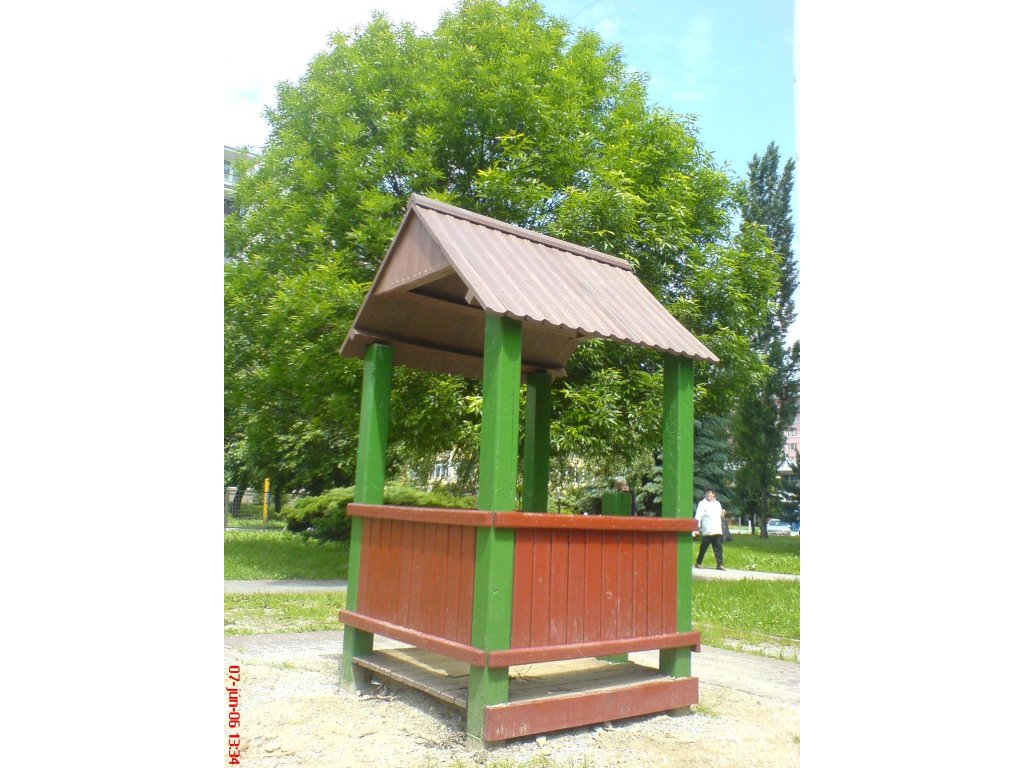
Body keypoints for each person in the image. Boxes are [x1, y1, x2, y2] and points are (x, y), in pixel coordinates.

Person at [694, 488, 727, 570]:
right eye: (707, 493)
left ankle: (720, 565)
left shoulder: (717, 503)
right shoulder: (702, 504)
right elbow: (698, 516)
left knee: (718, 548)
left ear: (713, 494)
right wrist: (696, 528)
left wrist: (723, 513)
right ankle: (698, 563)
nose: (708, 494)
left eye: (710, 493)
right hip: (707, 530)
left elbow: (720, 515)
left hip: (717, 530)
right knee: (703, 548)